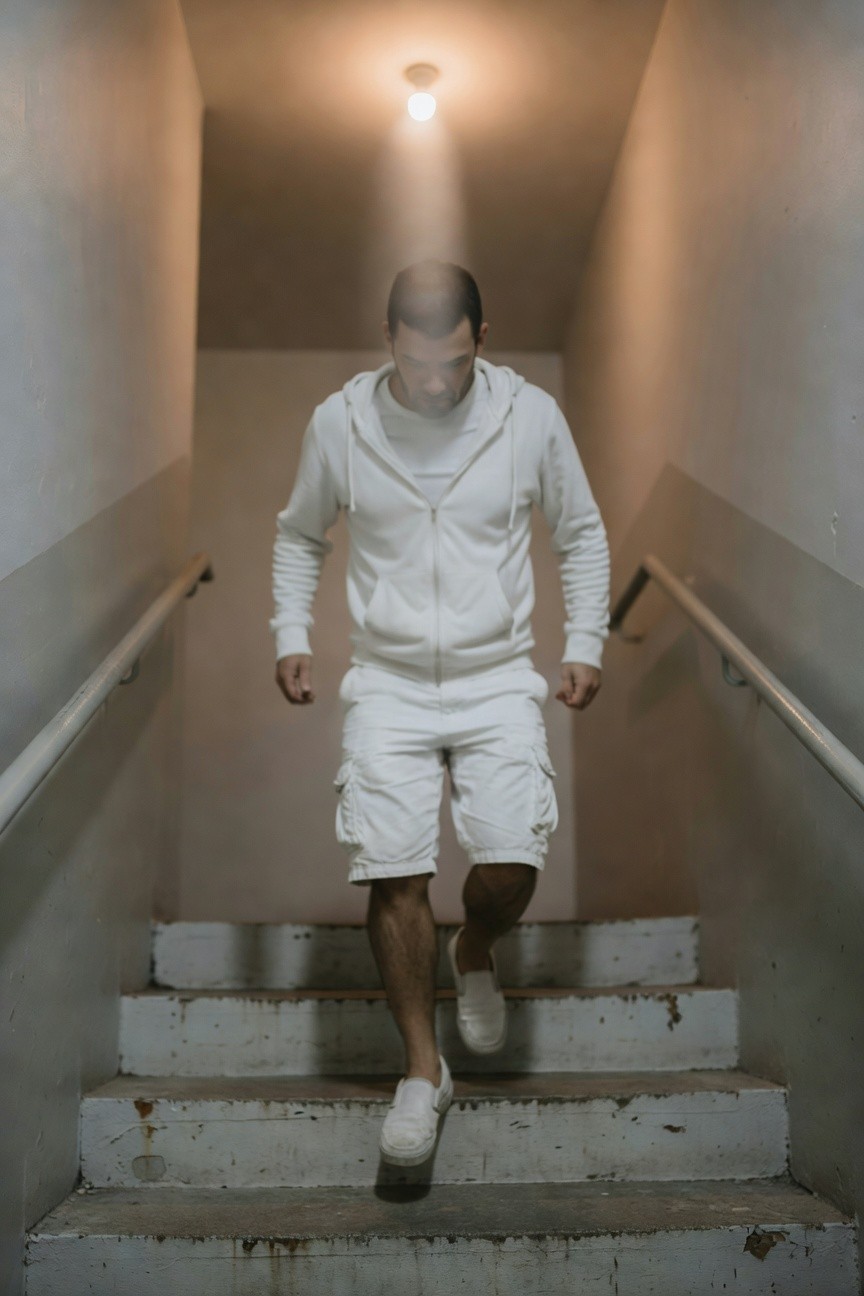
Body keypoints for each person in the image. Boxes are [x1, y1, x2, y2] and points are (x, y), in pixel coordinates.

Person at [270, 260, 609, 1167]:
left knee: (509, 862)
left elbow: (579, 531)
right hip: (386, 680)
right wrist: (289, 631)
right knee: (393, 868)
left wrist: (585, 644)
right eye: (418, 364)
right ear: (387, 343)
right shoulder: (338, 425)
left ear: (481, 344)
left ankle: (476, 949)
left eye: (454, 363)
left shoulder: (529, 416)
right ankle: (424, 1072)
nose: (434, 382)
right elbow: (301, 533)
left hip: (498, 674)